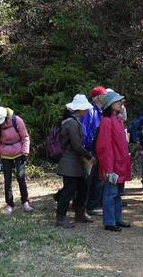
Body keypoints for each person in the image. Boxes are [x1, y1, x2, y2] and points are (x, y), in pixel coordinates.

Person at [55, 94, 96, 227]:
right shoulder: (72, 123)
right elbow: (76, 146)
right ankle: (60, 218)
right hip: (70, 162)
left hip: (74, 163)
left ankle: (80, 214)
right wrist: (89, 156)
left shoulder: (73, 121)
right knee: (69, 191)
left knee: (81, 188)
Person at [95, 90, 132, 231]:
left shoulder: (117, 119)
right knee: (110, 193)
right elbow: (104, 147)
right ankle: (109, 221)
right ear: (110, 105)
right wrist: (108, 168)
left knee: (118, 194)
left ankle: (117, 218)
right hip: (112, 164)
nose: (120, 103)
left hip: (120, 163)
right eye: (117, 102)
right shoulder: (106, 121)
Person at [0, 106, 33, 214]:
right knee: (7, 180)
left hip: (19, 152)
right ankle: (10, 204)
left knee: (20, 177)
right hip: (5, 154)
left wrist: (25, 153)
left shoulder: (17, 120)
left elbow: (25, 137)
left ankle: (25, 202)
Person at [84, 85, 107, 215]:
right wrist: (89, 147)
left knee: (96, 179)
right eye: (104, 95)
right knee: (88, 179)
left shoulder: (101, 111)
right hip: (91, 150)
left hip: (99, 150)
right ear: (98, 97)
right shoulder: (90, 111)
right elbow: (85, 131)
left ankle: (92, 206)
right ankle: (85, 206)